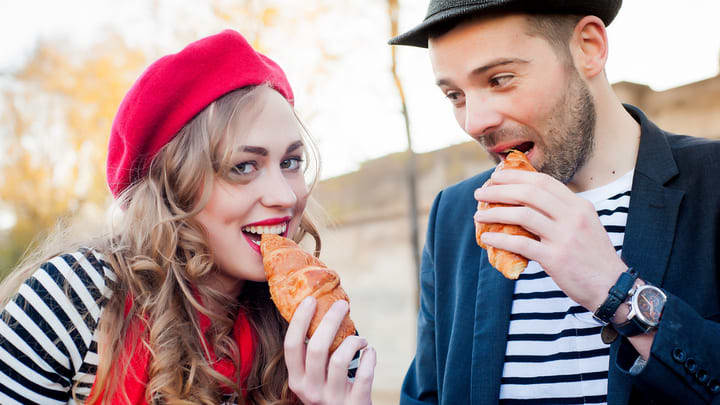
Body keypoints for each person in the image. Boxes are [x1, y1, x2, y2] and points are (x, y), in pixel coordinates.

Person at [0, 29, 376, 404]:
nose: (285, 196)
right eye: (243, 166)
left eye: (290, 162)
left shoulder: (322, 329)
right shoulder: (76, 298)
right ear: (174, 189)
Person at [388, 0, 720, 403]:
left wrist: (619, 294)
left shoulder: (713, 180)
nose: (474, 122)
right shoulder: (456, 217)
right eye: (455, 95)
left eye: (499, 79)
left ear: (588, 47)